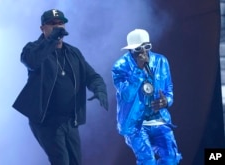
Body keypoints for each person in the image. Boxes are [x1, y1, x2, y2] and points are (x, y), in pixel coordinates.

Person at [12, 9, 108, 165]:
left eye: (61, 23)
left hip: (70, 121)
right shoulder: (32, 49)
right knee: (61, 161)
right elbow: (31, 61)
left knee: (75, 162)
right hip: (47, 121)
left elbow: (92, 76)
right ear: (43, 28)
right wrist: (51, 41)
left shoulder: (73, 53)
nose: (58, 27)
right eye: (52, 24)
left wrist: (99, 89)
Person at [112, 29, 182, 165]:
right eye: (138, 49)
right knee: (148, 160)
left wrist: (166, 101)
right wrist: (138, 70)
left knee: (171, 158)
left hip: (159, 119)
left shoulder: (161, 61)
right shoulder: (120, 67)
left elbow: (169, 90)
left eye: (147, 47)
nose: (143, 52)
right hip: (135, 123)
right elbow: (126, 95)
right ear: (131, 50)